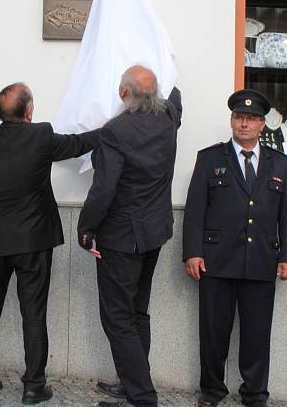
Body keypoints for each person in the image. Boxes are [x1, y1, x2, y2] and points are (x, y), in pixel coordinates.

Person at [0, 82, 99, 404]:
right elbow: (80, 144)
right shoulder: (41, 136)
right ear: (29, 112)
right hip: (34, 241)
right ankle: (33, 386)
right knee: (33, 313)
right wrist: (117, 127)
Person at [182, 89, 287, 407]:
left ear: (263, 125)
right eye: (238, 117)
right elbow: (194, 211)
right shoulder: (210, 158)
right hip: (217, 260)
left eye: (250, 119)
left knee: (257, 333)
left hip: (261, 258)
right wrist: (192, 252)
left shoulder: (279, 163)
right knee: (213, 331)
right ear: (232, 121)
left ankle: (255, 392)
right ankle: (212, 389)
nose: (243, 124)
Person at [77, 65, 182, 407]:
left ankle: (142, 397)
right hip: (154, 234)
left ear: (123, 94)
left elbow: (103, 189)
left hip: (121, 238)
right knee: (137, 313)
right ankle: (131, 383)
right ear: (155, 95)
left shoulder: (116, 131)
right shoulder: (168, 120)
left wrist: (86, 229)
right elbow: (176, 98)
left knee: (119, 319)